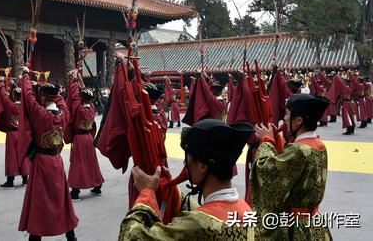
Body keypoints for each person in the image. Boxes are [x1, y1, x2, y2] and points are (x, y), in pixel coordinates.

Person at [119, 119, 254, 240]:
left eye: (187, 158)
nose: (184, 163)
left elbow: (131, 236)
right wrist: (173, 191)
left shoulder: (198, 225)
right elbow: (207, 213)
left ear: (202, 166)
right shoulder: (246, 210)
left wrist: (146, 194)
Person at [252, 94, 332, 240]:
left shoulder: (299, 150)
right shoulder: (319, 145)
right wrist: (276, 139)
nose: (285, 118)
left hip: (297, 227)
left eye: (287, 114)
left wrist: (266, 140)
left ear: (299, 120)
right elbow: (290, 165)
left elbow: (266, 169)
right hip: (314, 222)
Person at [18, 68, 78, 240]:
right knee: (62, 199)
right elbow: (61, 100)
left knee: (39, 201)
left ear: (43, 97)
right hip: (57, 162)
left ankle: (35, 237)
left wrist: (26, 76)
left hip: (41, 162)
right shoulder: (64, 114)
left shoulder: (40, 113)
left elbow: (28, 97)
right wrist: (47, 87)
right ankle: (71, 236)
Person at [67, 70, 104, 201]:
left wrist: (73, 81)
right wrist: (80, 80)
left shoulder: (79, 109)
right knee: (91, 162)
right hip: (89, 138)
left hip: (79, 138)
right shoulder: (92, 108)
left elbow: (75, 97)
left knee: (77, 164)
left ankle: (75, 191)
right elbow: (82, 94)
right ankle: (97, 186)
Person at [0, 77, 29, 188]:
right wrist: (15, 85)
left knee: (11, 156)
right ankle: (25, 178)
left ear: (13, 96)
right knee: (24, 154)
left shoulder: (10, 105)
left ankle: (10, 180)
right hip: (22, 134)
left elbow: (3, 96)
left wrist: (2, 83)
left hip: (12, 134)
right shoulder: (25, 107)